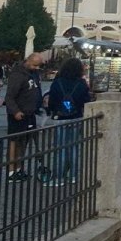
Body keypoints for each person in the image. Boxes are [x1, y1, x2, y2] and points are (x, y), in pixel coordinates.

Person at [44, 57, 91, 185]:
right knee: (74, 147)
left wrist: (53, 110)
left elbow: (52, 100)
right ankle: (73, 176)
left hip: (60, 118)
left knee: (60, 148)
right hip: (76, 117)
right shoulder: (81, 83)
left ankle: (58, 177)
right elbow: (87, 100)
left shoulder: (57, 82)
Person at [5, 52, 44, 181]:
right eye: (35, 65)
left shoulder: (34, 74)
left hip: (30, 113)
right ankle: (11, 171)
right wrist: (15, 111)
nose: (37, 68)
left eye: (38, 66)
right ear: (28, 61)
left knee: (24, 142)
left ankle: (19, 168)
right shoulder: (17, 75)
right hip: (18, 114)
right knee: (14, 142)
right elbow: (9, 96)